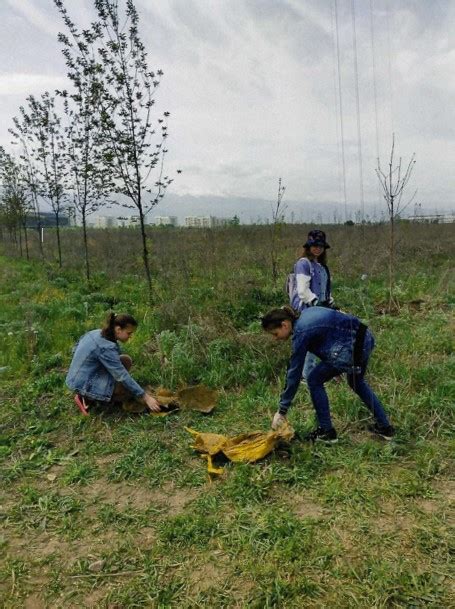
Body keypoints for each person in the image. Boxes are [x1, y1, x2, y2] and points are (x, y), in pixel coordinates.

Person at [261, 306, 395, 442]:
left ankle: (327, 432)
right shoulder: (306, 313)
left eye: (275, 334)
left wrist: (282, 411)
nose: (275, 339)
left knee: (314, 379)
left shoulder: (301, 332)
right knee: (357, 382)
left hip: (352, 346)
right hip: (365, 337)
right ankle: (385, 428)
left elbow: (294, 373)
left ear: (284, 325)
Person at [66, 312, 161, 415]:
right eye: (129, 333)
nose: (130, 337)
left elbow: (74, 349)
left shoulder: (96, 332)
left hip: (76, 377)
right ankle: (86, 396)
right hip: (82, 384)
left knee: (126, 360)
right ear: (118, 329)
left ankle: (86, 391)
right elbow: (121, 375)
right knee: (124, 393)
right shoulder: (106, 348)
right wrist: (146, 397)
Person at [286, 229, 336, 380]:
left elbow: (324, 289)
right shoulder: (304, 264)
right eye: (314, 245)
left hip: (320, 309)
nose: (318, 248)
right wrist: (316, 301)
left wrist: (329, 301)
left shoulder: (320, 266)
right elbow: (302, 290)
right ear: (308, 246)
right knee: (311, 343)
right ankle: (307, 376)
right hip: (309, 309)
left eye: (320, 246)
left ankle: (322, 371)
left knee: (322, 340)